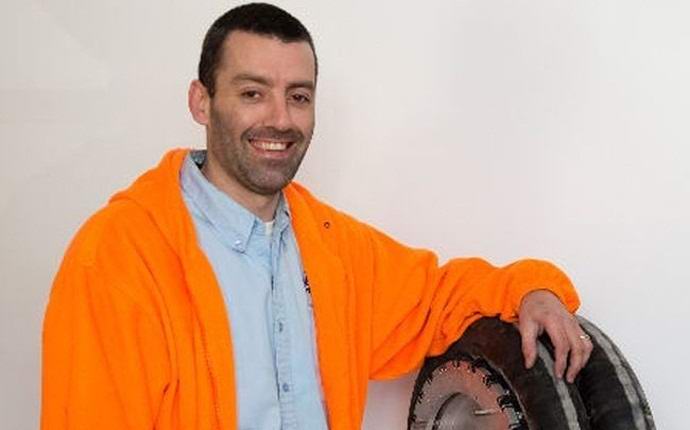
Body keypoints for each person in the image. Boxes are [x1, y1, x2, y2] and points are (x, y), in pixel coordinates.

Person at [41, 3, 592, 430]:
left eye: (299, 97)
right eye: (253, 93)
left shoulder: (331, 247)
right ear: (201, 102)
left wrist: (533, 289)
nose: (280, 119)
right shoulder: (116, 258)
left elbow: (439, 298)